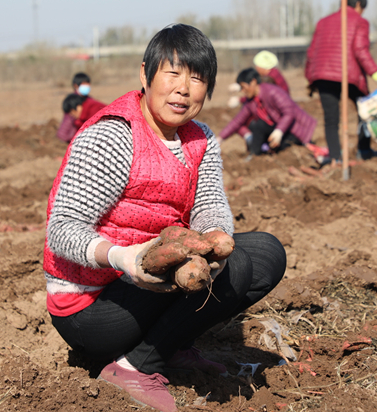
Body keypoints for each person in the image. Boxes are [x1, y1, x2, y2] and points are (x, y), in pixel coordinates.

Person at [43, 24, 286, 412]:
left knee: (264, 253)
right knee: (235, 267)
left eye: (197, 78)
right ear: (145, 74)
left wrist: (213, 236)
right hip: (91, 307)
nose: (183, 88)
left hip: (149, 281)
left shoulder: (200, 138)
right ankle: (135, 366)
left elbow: (209, 203)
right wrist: (124, 258)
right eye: (172, 73)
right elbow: (62, 230)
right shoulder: (113, 135)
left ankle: (170, 347)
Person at [305, 0, 377, 164]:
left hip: (322, 75)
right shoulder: (360, 22)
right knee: (366, 111)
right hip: (348, 75)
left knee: (331, 119)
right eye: (362, 8)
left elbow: (311, 53)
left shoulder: (322, 22)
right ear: (358, 4)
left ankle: (336, 158)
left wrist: (310, 78)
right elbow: (360, 50)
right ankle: (364, 150)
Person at [218, 67, 317, 156]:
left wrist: (279, 131)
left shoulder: (272, 91)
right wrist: (220, 138)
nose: (242, 91)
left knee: (263, 128)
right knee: (257, 125)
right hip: (279, 129)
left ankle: (256, 155)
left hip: (295, 129)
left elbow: (289, 113)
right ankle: (255, 154)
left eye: (243, 87)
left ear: (253, 82)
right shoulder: (251, 101)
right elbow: (237, 121)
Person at [56, 72, 105, 143]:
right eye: (84, 84)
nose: (87, 86)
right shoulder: (72, 102)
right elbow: (66, 126)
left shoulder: (90, 102)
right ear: (75, 85)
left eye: (88, 84)